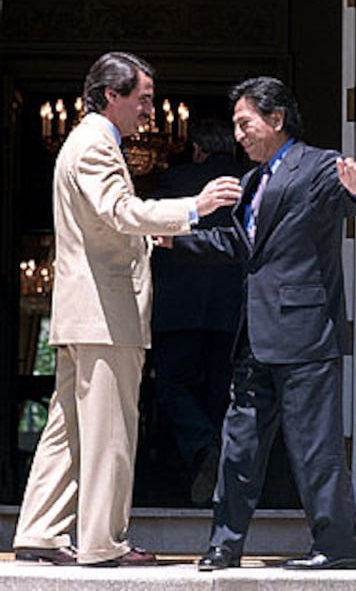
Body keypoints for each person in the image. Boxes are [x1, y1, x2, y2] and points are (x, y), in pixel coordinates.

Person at [12, 52, 241, 567]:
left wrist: (149, 236)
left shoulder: (90, 141)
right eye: (143, 98)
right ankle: (102, 543)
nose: (151, 111)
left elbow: (108, 223)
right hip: (104, 313)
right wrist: (194, 208)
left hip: (88, 312)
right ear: (111, 96)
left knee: (67, 427)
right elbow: (118, 211)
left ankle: (40, 531)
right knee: (111, 429)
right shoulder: (94, 143)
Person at [160, 76, 356, 571]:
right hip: (254, 339)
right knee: (239, 449)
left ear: (276, 120)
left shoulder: (319, 165)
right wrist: (177, 241)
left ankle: (338, 547)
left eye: (245, 123)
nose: (239, 135)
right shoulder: (253, 182)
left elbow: (354, 199)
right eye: (236, 125)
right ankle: (224, 546)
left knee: (314, 450)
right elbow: (239, 246)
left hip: (305, 338)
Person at [151, 118, 243, 506]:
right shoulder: (249, 180)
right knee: (224, 395)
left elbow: (151, 233)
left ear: (197, 149)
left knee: (173, 388)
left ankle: (205, 449)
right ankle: (226, 480)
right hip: (232, 311)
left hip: (179, 310)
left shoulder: (176, 182)